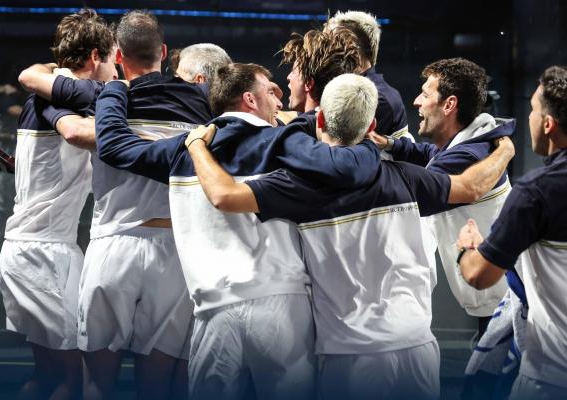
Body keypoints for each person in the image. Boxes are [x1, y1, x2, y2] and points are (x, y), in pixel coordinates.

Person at [181, 73, 515, 400]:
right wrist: (504, 152)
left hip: (347, 354)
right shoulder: (409, 179)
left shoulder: (298, 188)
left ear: (321, 118)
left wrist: (197, 147)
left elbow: (224, 196)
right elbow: (472, 186)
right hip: (415, 346)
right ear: (371, 127)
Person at [95, 62, 383, 400]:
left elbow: (113, 145)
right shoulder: (283, 141)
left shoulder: (184, 149)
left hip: (212, 311)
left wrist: (114, 89)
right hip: (279, 307)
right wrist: (371, 142)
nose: (278, 101)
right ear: (249, 99)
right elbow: (347, 169)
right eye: (270, 91)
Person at [24, 11, 212, 400]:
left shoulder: (106, 97)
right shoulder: (200, 102)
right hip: (175, 253)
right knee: (157, 387)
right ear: (163, 51)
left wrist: (51, 91)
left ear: (120, 58)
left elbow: (33, 80)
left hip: (113, 248)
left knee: (97, 386)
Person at [0, 9, 116, 400]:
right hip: (44, 255)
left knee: (48, 377)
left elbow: (38, 72)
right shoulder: (62, 98)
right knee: (76, 380)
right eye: (114, 59)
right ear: (96, 56)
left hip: (25, 250)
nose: (116, 69)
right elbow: (84, 130)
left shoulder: (46, 88)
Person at [370, 58, 512, 335]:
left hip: (501, 296)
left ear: (449, 105)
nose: (416, 102)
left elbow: (412, 185)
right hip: (501, 289)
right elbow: (432, 154)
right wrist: (389, 143)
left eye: (425, 94)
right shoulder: (476, 138)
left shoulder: (465, 157)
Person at [457, 65, 567, 400]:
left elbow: (479, 276)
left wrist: (467, 248)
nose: (530, 118)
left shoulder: (536, 193)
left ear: (548, 124)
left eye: (533, 111)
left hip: (551, 376)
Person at [324, 11, 413, 148]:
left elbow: (342, 157)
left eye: (331, 43)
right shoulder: (355, 89)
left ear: (352, 47)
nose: (323, 51)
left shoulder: (377, 98)